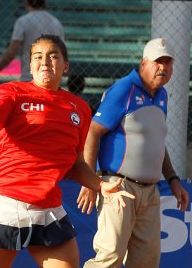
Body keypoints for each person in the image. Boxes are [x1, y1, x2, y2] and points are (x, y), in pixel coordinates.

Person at [0, 34, 134, 268]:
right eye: (38, 56)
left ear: (65, 66)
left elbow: (75, 163)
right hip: (3, 202)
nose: (45, 62)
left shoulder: (80, 109)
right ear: (30, 65)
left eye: (53, 56)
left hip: (48, 208)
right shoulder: (13, 92)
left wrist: (99, 185)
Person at [77, 38, 190, 268]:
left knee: (147, 262)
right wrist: (90, 182)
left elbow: (157, 143)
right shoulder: (123, 89)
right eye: (159, 61)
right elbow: (92, 132)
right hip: (118, 187)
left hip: (150, 191)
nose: (164, 67)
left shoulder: (162, 96)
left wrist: (173, 179)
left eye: (169, 62)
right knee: (109, 258)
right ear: (143, 63)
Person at [0, 0, 64, 85]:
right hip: (51, 78)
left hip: (29, 76)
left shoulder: (23, 21)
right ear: (45, 3)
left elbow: (12, 52)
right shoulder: (56, 23)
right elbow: (62, 53)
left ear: (27, 2)